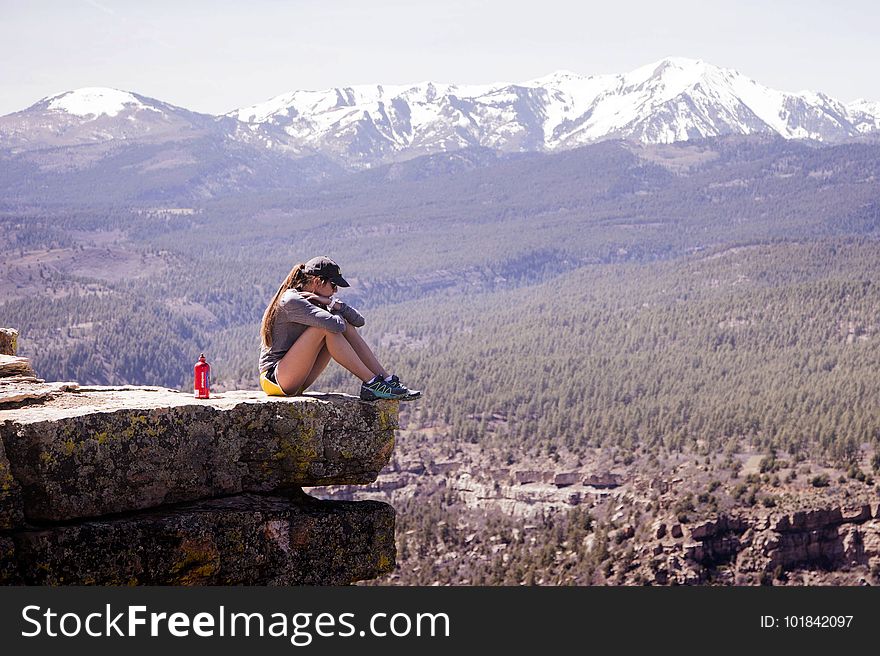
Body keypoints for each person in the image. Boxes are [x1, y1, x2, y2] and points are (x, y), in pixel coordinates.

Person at [259, 256, 420, 401]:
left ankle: (386, 380)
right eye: (333, 285)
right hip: (275, 378)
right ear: (317, 282)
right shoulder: (292, 300)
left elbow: (358, 321)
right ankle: (372, 383)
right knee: (326, 328)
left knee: (342, 324)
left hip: (295, 377)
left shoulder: (317, 299)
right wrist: (331, 306)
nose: (336, 291)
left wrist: (331, 303)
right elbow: (336, 325)